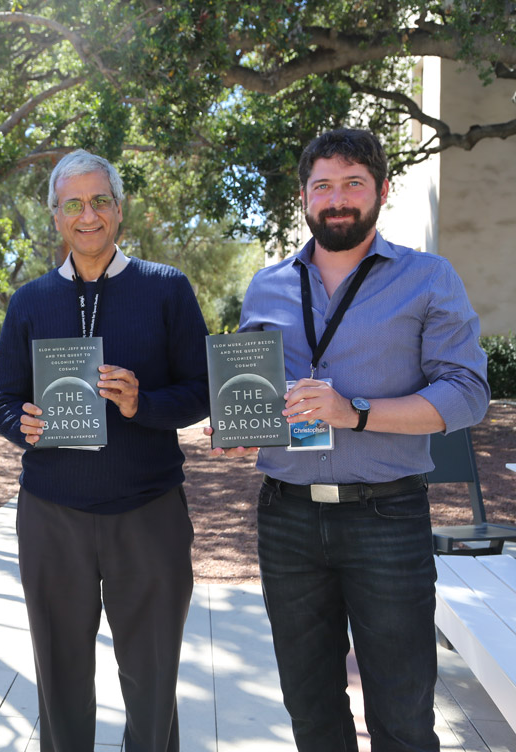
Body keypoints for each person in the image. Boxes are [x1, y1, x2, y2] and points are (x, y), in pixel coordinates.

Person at [210, 128, 490, 751]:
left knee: (404, 717)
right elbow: (254, 390)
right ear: (304, 197)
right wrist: (239, 426)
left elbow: (468, 392)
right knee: (311, 713)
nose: (337, 199)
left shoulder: (428, 277)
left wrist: (354, 411)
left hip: (387, 516)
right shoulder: (266, 286)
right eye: (323, 186)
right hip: (286, 518)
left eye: (353, 183)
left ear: (382, 190)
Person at [0, 149, 210, 751]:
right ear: (56, 216)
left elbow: (201, 391)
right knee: (60, 677)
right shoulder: (29, 301)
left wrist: (143, 404)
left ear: (119, 208)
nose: (88, 216)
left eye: (100, 201)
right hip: (52, 513)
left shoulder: (166, 288)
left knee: (152, 677)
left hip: (149, 511)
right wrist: (22, 424)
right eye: (74, 205)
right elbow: (2, 398)